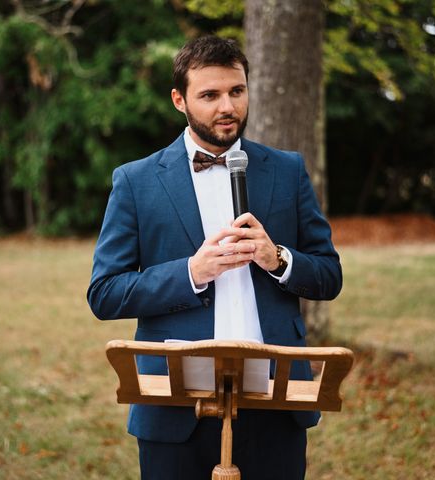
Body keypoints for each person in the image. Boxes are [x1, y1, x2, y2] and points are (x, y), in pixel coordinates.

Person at [87, 35, 342, 480]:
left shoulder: (287, 170)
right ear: (179, 100)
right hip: (175, 406)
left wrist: (277, 257)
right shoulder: (136, 181)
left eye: (236, 92)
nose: (227, 107)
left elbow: (329, 275)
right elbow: (105, 294)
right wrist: (192, 272)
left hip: (276, 401)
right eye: (209, 95)